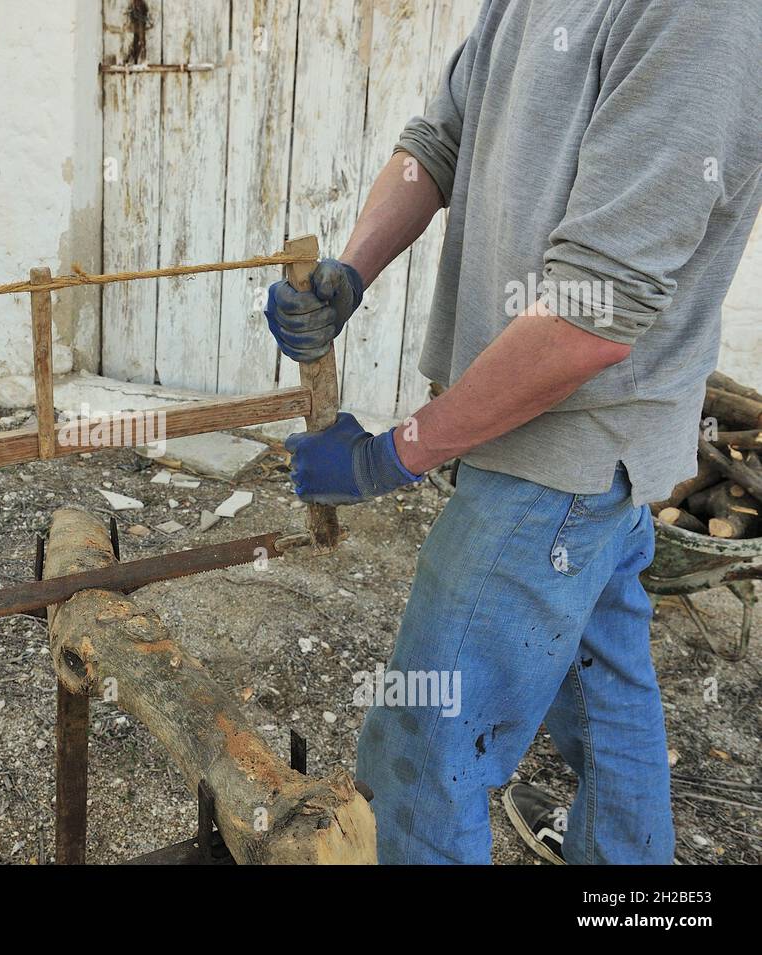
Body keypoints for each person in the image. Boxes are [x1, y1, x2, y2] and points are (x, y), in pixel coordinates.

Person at [264, 0, 762, 864]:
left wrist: (394, 454)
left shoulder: (701, 17)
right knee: (606, 704)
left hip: (565, 454)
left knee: (424, 746)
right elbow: (439, 141)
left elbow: (590, 319)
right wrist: (351, 270)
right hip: (555, 454)